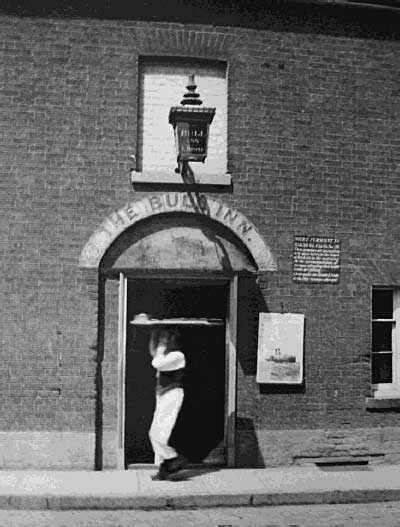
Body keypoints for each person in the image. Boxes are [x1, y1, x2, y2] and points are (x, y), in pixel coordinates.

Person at [148, 327, 187, 480]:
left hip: (172, 394)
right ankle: (165, 468)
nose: (161, 342)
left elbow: (157, 363)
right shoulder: (168, 355)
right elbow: (154, 355)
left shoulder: (178, 356)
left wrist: (161, 347)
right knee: (155, 434)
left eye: (165, 338)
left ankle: (174, 458)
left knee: (159, 434)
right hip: (164, 395)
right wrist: (153, 337)